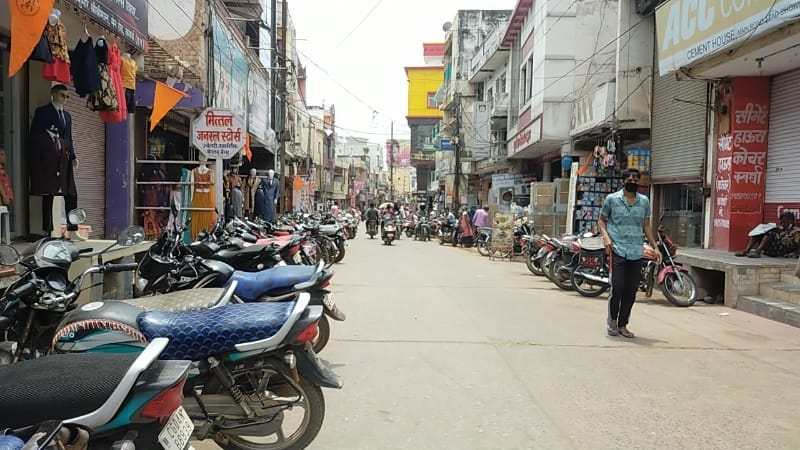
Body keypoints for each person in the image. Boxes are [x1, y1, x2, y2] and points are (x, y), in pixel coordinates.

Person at [599, 168, 661, 339]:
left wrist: (654, 246)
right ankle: (612, 321)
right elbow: (601, 221)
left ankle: (623, 325)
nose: (633, 181)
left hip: (636, 251)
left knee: (631, 290)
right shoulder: (612, 200)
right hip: (617, 249)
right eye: (630, 178)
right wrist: (606, 238)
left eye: (636, 179)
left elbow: (646, 225)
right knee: (617, 287)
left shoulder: (644, 201)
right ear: (623, 181)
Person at [734, 211, 800, 258]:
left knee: (771, 232)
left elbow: (795, 245)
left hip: (782, 250)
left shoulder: (796, 231)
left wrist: (784, 233)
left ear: (790, 221)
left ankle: (757, 251)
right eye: (781, 222)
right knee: (759, 232)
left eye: (784, 222)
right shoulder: (781, 229)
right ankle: (746, 250)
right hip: (772, 248)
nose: (782, 224)